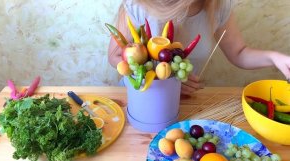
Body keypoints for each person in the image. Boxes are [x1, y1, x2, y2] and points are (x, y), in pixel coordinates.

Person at [107, 0, 290, 96]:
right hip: (140, 95)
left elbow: (239, 53)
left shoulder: (219, 5)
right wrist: (168, 80)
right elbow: (115, 56)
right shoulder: (136, 3)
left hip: (187, 102)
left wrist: (275, 58)